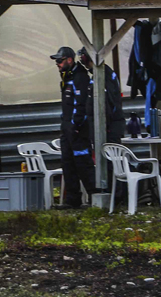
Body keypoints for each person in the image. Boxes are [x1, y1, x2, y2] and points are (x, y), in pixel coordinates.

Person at [51, 47, 96, 209]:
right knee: (67, 163)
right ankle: (72, 199)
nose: (57, 64)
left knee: (83, 163)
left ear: (69, 60)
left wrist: (75, 125)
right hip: (66, 128)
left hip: (78, 130)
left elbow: (82, 104)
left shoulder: (80, 77)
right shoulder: (67, 77)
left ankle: (94, 198)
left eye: (60, 60)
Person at [78, 47, 125, 145]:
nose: (84, 64)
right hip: (102, 128)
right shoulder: (98, 75)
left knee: (108, 153)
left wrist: (105, 126)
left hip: (109, 129)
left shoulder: (104, 75)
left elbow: (109, 103)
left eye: (84, 60)